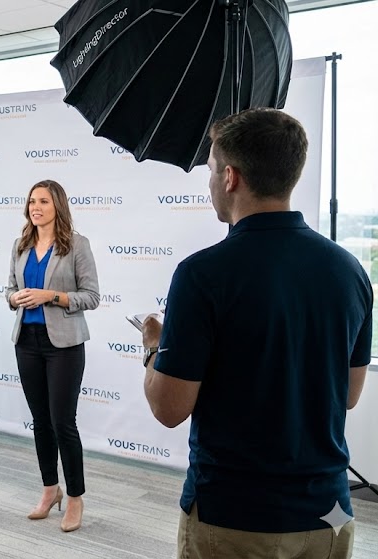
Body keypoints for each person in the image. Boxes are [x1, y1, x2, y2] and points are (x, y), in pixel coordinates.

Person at [141, 108, 371, 559]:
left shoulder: (201, 275)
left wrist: (153, 347)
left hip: (235, 517)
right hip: (330, 515)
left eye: (209, 170)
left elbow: (169, 408)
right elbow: (349, 393)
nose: (208, 182)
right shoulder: (350, 270)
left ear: (230, 177)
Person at [5, 179, 100, 533]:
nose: (36, 207)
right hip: (26, 341)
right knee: (40, 422)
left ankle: (75, 498)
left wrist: (52, 296)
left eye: (43, 201)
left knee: (63, 423)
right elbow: (10, 289)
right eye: (31, 201)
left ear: (57, 205)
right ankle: (50, 491)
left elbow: (91, 296)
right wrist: (15, 299)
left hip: (64, 344)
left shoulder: (77, 245)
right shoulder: (21, 244)